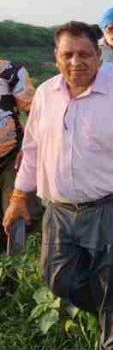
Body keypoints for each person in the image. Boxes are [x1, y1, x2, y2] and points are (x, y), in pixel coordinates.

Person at [2, 21, 113, 350]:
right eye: (68, 55)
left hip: (112, 205)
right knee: (58, 279)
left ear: (98, 56)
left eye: (85, 54)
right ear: (56, 57)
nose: (76, 62)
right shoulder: (46, 94)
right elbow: (32, 149)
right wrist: (18, 197)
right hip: (60, 209)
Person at [0, 57, 43, 248]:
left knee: (23, 213)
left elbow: (35, 112)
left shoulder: (10, 71)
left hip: (12, 155)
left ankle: (26, 257)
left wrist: (30, 146)